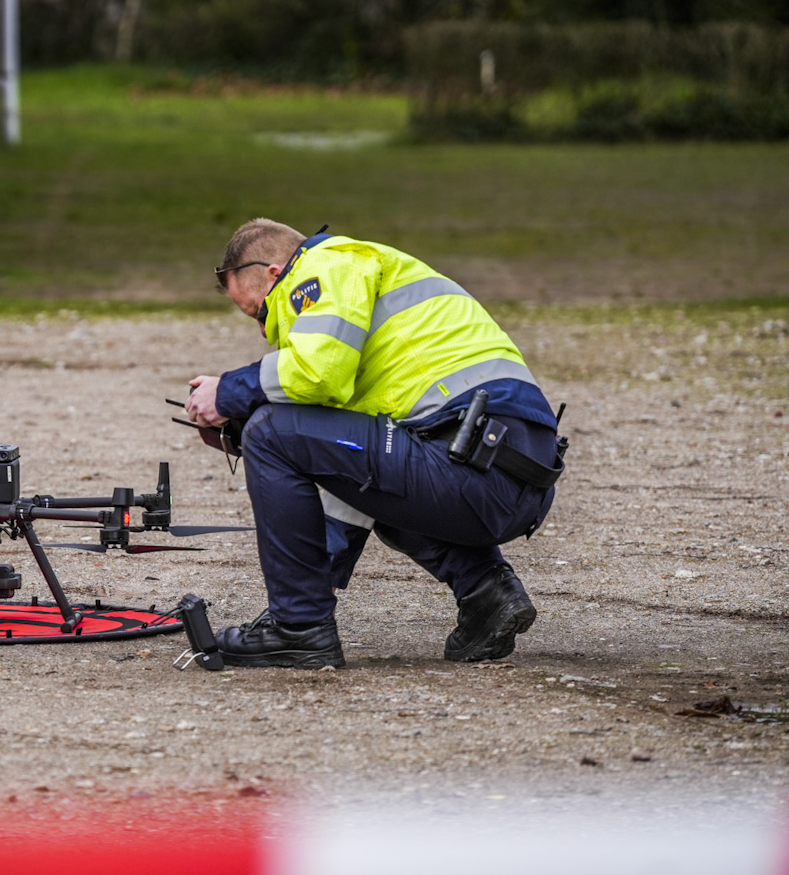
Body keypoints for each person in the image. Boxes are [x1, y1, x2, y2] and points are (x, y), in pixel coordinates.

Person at [184, 219, 566, 668]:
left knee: (270, 429)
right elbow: (350, 474)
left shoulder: (323, 265)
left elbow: (317, 370)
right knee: (328, 452)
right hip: (509, 473)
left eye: (260, 312)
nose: (266, 332)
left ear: (274, 272)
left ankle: (298, 629)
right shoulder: (369, 280)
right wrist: (320, 572)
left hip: (473, 464)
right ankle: (488, 594)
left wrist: (228, 392)